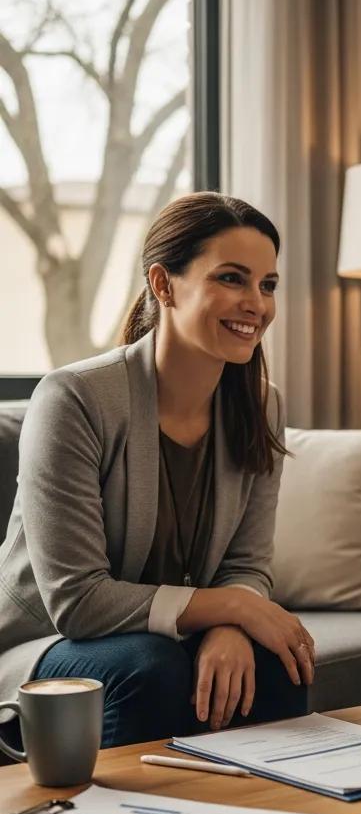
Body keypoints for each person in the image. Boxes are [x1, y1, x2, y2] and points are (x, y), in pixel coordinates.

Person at [0, 192, 315, 750]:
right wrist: (237, 606)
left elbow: (246, 563)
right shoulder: (73, 398)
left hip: (162, 635)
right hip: (43, 641)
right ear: (164, 285)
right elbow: (78, 600)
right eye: (232, 279)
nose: (256, 304)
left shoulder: (262, 405)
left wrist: (231, 625)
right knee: (151, 668)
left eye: (267, 285)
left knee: (275, 661)